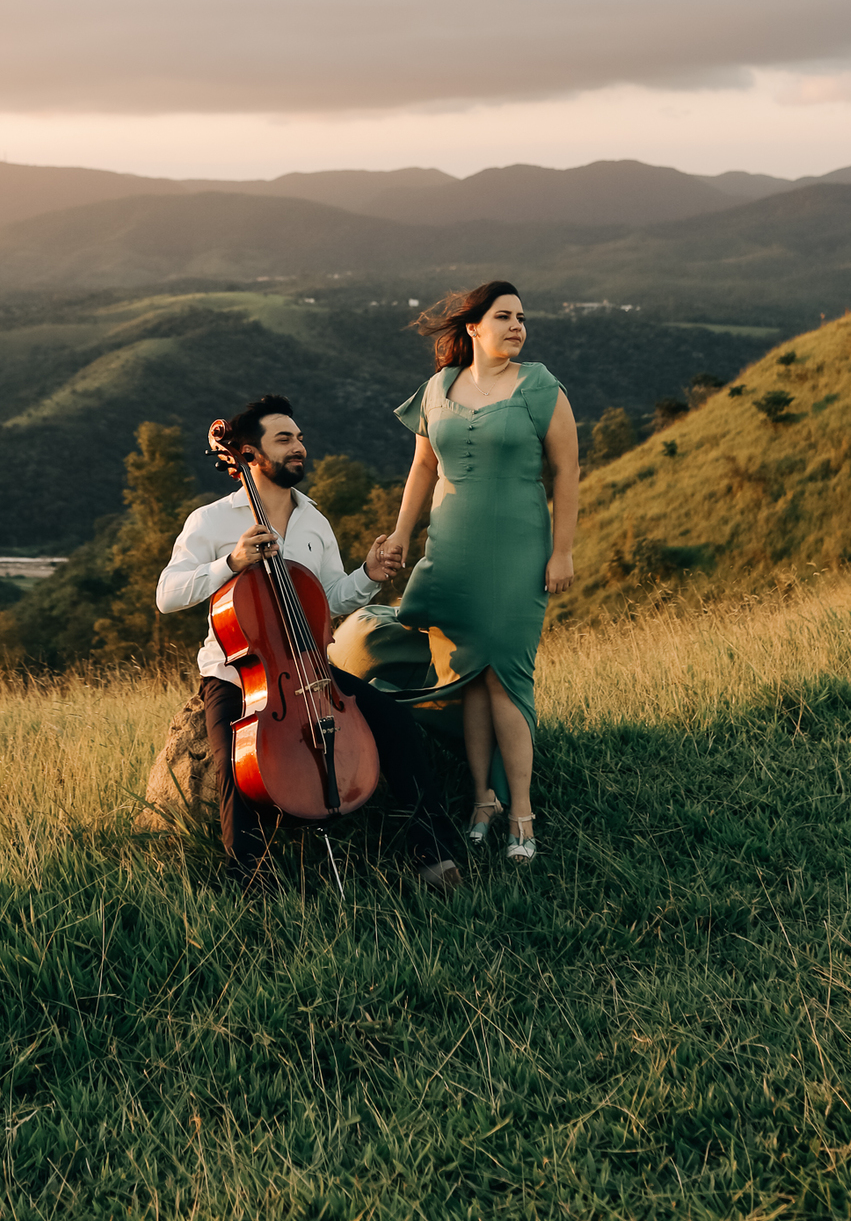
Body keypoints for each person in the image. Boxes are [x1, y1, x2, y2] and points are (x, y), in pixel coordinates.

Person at [156, 393, 462, 891]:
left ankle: (433, 854)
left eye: (299, 438)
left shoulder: (314, 521)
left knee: (397, 724)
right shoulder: (211, 521)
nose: (299, 446)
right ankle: (249, 878)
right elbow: (167, 595)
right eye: (285, 439)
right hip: (236, 674)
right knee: (235, 767)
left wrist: (368, 572)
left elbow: (330, 599)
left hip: (311, 669)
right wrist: (231, 564)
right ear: (249, 454)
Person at [377, 281, 579, 864]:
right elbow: (421, 468)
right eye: (505, 316)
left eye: (522, 317)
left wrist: (561, 551)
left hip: (518, 549)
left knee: (507, 675)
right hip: (452, 549)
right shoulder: (437, 388)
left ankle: (522, 811)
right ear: (473, 328)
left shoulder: (542, 387)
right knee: (468, 675)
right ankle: (481, 800)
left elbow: (566, 473)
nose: (518, 326)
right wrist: (400, 534)